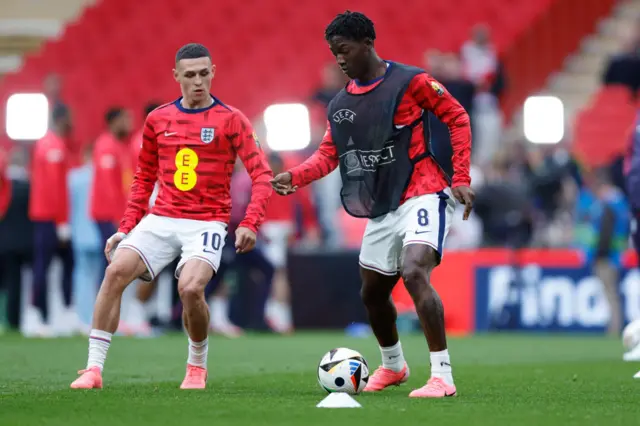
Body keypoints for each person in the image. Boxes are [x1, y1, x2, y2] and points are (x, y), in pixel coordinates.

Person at [271, 11, 473, 398]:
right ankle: (394, 365)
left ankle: (442, 376)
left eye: (344, 50)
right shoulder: (341, 102)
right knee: (372, 294)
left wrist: (460, 176)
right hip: (382, 206)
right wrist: (295, 177)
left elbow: (456, 116)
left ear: (367, 43)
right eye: (334, 53)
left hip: (422, 191)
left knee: (414, 271)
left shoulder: (410, 81)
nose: (339, 60)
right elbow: (328, 155)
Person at [70, 43, 273, 389]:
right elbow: (143, 179)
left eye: (203, 73)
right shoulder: (157, 120)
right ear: (176, 76)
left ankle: (196, 366)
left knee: (191, 289)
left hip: (207, 221)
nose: (197, 81)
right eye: (190, 75)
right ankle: (93, 369)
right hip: (162, 217)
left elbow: (262, 175)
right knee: (115, 270)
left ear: (213, 73)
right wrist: (125, 228)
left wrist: (250, 222)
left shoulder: (231, 120)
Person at [28, 104, 75, 336]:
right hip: (49, 217)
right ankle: (37, 314)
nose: (72, 123)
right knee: (43, 265)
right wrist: (61, 222)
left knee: (63, 263)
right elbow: (53, 189)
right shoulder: (53, 147)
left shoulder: (48, 145)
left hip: (46, 215)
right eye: (69, 119)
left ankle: (61, 312)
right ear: (61, 118)